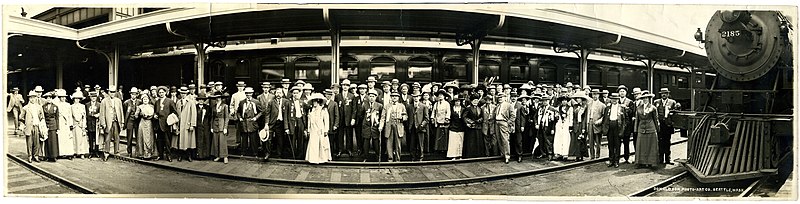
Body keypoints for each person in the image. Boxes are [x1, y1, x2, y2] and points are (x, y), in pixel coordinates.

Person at [653, 88, 680, 165]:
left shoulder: (672, 102)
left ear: (668, 94)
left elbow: (676, 113)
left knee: (667, 142)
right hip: (659, 124)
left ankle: (668, 159)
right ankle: (660, 158)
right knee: (660, 141)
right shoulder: (656, 102)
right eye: (662, 93)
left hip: (668, 125)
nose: (664, 95)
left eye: (665, 93)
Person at [635, 92, 660, 168]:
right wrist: (635, 129)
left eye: (646, 98)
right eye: (644, 98)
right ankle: (640, 162)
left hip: (651, 128)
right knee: (641, 146)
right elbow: (637, 119)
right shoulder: (638, 108)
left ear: (649, 99)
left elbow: (656, 119)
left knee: (651, 146)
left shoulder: (653, 108)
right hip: (641, 128)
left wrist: (657, 128)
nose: (645, 99)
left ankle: (652, 162)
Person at [98, 86, 124, 161]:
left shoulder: (118, 101)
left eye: (113, 92)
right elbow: (102, 113)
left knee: (117, 137)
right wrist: (103, 123)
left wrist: (122, 122)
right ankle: (106, 152)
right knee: (107, 138)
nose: (112, 93)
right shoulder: (104, 101)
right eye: (111, 92)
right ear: (108, 92)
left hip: (116, 121)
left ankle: (117, 152)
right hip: (108, 122)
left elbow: (121, 112)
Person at [305, 93, 332, 164]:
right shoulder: (311, 110)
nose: (314, 103)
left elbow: (326, 121)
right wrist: (308, 129)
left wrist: (326, 130)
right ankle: (313, 159)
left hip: (320, 129)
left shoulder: (323, 110)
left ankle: (322, 158)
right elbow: (309, 121)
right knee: (313, 144)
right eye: (313, 101)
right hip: (313, 129)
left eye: (316, 101)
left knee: (321, 144)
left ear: (319, 102)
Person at [602, 93, 626, 168]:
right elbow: (605, 118)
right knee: (610, 144)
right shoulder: (608, 107)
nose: (614, 101)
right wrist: (604, 128)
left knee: (617, 144)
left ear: (618, 99)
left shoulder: (621, 108)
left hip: (617, 126)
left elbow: (624, 120)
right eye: (613, 99)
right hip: (610, 126)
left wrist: (622, 130)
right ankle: (611, 160)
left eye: (615, 99)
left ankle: (616, 161)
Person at [20, 91, 45, 163]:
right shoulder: (26, 108)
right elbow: (21, 117)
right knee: (29, 142)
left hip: (36, 126)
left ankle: (36, 156)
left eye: (34, 97)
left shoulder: (39, 107)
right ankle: (30, 156)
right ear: (29, 98)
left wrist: (42, 124)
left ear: (36, 98)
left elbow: (41, 116)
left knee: (36, 142)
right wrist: (25, 124)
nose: (33, 99)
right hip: (29, 127)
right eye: (31, 98)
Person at [155, 86, 177, 162]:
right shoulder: (157, 102)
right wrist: (155, 115)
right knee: (159, 141)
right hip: (159, 124)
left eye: (162, 92)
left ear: (165, 93)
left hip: (166, 124)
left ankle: (168, 155)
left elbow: (174, 112)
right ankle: (160, 155)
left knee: (167, 141)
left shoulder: (169, 101)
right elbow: (156, 111)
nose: (161, 94)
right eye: (160, 92)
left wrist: (170, 119)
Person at [236, 87, 260, 157]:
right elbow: (238, 112)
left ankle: (255, 153)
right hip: (244, 123)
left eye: (249, 93)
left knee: (253, 139)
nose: (248, 95)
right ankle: (243, 153)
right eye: (247, 93)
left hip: (252, 122)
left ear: (252, 94)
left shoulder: (256, 102)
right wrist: (240, 118)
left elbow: (261, 112)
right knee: (244, 139)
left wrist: (256, 118)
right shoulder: (242, 102)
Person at [360, 89, 383, 162]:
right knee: (366, 143)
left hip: (375, 127)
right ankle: (365, 157)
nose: (371, 98)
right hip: (366, 127)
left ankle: (378, 157)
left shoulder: (379, 106)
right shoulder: (364, 105)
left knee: (376, 143)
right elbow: (361, 115)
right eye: (370, 96)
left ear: (376, 97)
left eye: (373, 96)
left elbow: (382, 116)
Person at [285, 85, 307, 159]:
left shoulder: (302, 102)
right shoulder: (288, 103)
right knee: (293, 139)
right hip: (292, 122)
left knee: (300, 139)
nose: (295, 95)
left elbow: (307, 112)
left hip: (300, 121)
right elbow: (285, 116)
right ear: (292, 94)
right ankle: (293, 155)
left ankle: (300, 155)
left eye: (297, 93)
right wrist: (286, 127)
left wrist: (305, 126)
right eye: (294, 93)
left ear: (299, 94)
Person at [134, 94, 158, 159]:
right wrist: (140, 114)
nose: (145, 100)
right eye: (144, 99)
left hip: (149, 123)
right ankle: (141, 153)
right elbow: (135, 116)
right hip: (142, 123)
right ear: (142, 100)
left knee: (149, 137)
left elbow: (154, 114)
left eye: (146, 99)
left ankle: (149, 153)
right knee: (142, 137)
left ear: (148, 100)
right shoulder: (139, 107)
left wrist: (152, 116)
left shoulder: (151, 106)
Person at [266, 88, 288, 159]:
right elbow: (267, 114)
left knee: (280, 139)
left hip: (281, 123)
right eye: (277, 93)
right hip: (272, 123)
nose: (278, 94)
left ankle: (279, 154)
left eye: (280, 93)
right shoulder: (271, 102)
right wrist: (266, 123)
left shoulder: (286, 102)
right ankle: (268, 153)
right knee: (269, 138)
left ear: (282, 94)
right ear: (275, 94)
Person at [384, 92, 406, 162]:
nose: (394, 97)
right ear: (391, 97)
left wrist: (402, 117)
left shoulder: (401, 106)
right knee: (389, 143)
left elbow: (405, 116)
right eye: (393, 96)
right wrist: (381, 126)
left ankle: (397, 159)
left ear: (398, 98)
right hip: (389, 125)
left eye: (396, 96)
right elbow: (383, 117)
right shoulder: (387, 106)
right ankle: (390, 158)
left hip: (398, 125)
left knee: (398, 143)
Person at [494, 92, 515, 164]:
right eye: (499, 97)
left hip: (503, 122)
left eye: (502, 97)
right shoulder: (497, 106)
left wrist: (508, 123)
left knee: (505, 139)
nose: (500, 99)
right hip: (497, 123)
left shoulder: (508, 105)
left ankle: (507, 156)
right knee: (498, 138)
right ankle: (503, 154)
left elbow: (513, 116)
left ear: (505, 98)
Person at [535, 95, 557, 160]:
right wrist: (536, 123)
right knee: (541, 140)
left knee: (548, 141)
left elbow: (554, 120)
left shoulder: (552, 109)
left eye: (546, 100)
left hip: (548, 127)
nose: (544, 102)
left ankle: (550, 154)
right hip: (540, 126)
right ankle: (543, 153)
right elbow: (535, 117)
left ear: (548, 101)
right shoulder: (540, 108)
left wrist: (552, 128)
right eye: (543, 101)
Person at [55, 89, 76, 159]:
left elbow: (70, 115)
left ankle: (68, 153)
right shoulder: (57, 105)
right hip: (60, 122)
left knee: (67, 138)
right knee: (61, 138)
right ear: (59, 98)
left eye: (64, 97)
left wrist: (70, 124)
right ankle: (61, 153)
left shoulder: (68, 105)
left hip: (66, 123)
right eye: (61, 97)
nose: (63, 98)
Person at [210, 94, 230, 164]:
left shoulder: (225, 106)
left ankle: (225, 157)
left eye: (219, 97)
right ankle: (217, 155)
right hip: (215, 125)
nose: (217, 99)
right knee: (216, 141)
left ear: (221, 98)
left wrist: (225, 127)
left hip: (222, 125)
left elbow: (227, 118)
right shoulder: (214, 107)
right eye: (216, 98)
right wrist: (211, 127)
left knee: (222, 142)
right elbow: (212, 117)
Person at [463, 93, 484, 158]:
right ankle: (470, 155)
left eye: (477, 101)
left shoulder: (479, 108)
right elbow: (464, 117)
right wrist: (469, 122)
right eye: (474, 100)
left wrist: (480, 120)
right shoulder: (468, 108)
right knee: (471, 141)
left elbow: (482, 117)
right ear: (471, 101)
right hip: (471, 127)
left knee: (478, 140)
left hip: (478, 127)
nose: (475, 102)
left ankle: (478, 154)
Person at [570, 91, 590, 161]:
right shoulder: (575, 106)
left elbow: (585, 118)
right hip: (576, 124)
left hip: (582, 124)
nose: (578, 99)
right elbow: (574, 117)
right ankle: (577, 155)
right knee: (576, 141)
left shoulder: (585, 106)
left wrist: (584, 127)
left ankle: (581, 155)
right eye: (577, 98)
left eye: (579, 98)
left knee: (582, 140)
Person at [587, 89, 606, 160]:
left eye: (596, 94)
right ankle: (592, 155)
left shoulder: (602, 105)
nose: (594, 96)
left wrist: (600, 121)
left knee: (598, 140)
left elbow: (604, 116)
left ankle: (597, 154)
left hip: (597, 123)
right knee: (590, 140)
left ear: (598, 95)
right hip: (590, 122)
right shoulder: (589, 104)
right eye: (593, 94)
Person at [617, 85, 634, 164]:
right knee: (617, 143)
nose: (622, 93)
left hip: (626, 125)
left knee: (626, 142)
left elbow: (632, 112)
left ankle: (627, 157)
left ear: (626, 93)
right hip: (618, 125)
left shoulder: (630, 102)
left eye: (623, 91)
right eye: (620, 91)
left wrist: (626, 108)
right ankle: (618, 157)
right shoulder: (616, 101)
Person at [552, 96, 573, 160]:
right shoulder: (559, 108)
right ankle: (558, 153)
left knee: (565, 139)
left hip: (566, 124)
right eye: (563, 100)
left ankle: (565, 154)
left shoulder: (570, 108)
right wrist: (557, 116)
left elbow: (571, 118)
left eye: (565, 100)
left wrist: (570, 126)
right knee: (558, 138)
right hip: (559, 124)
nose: (564, 102)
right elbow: (556, 115)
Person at [71, 91, 90, 159]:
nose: (77, 100)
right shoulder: (71, 107)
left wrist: (84, 125)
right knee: (75, 139)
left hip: (80, 124)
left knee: (82, 139)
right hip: (75, 124)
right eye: (75, 98)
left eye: (78, 98)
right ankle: (75, 152)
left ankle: (82, 153)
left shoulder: (82, 106)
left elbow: (84, 117)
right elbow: (71, 116)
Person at [411, 92, 430, 161]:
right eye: (414, 97)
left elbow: (427, 118)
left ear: (419, 97)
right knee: (412, 143)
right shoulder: (410, 106)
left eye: (417, 96)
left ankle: (420, 157)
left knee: (420, 143)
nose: (415, 98)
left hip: (420, 127)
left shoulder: (423, 106)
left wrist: (422, 125)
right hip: (412, 127)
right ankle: (413, 157)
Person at [123, 87, 141, 156]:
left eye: (135, 94)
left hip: (137, 121)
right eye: (132, 94)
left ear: (137, 95)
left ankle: (137, 152)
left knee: (137, 136)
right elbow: (125, 112)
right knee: (129, 137)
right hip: (129, 121)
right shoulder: (126, 102)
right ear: (130, 94)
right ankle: (129, 152)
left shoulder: (139, 102)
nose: (133, 95)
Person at [513, 93, 530, 162]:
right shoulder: (510, 105)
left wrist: (522, 126)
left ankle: (519, 155)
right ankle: (514, 153)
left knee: (519, 141)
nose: (513, 98)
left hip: (518, 125)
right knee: (513, 140)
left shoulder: (520, 106)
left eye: (514, 97)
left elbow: (523, 117)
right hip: (511, 125)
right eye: (512, 97)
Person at [195, 92, 212, 160]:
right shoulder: (195, 107)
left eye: (202, 99)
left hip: (206, 126)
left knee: (206, 140)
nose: (201, 101)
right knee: (199, 141)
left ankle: (206, 155)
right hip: (198, 127)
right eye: (199, 99)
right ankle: (199, 155)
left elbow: (210, 117)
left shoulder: (208, 107)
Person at [324, 89, 340, 158]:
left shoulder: (334, 103)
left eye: (330, 95)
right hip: (323, 125)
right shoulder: (322, 103)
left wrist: (335, 125)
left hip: (331, 125)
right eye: (327, 94)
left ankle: (331, 155)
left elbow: (337, 115)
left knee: (331, 141)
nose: (328, 96)